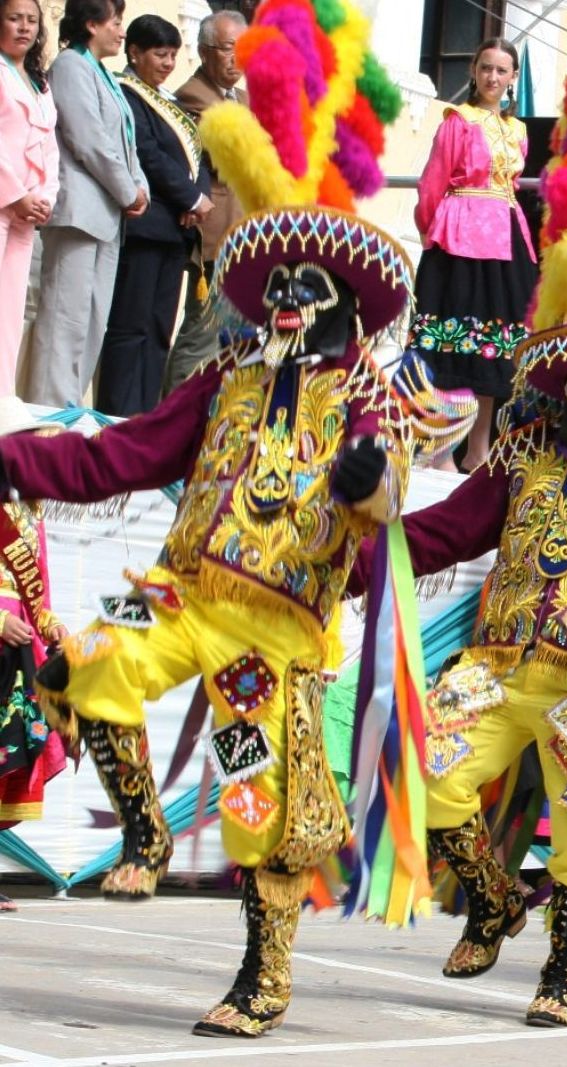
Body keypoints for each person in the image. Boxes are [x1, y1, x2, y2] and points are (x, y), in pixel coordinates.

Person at [20, 0, 417, 1037]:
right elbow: (125, 451)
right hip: (186, 592)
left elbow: (387, 502)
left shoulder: (366, 394)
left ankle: (262, 972)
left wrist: (367, 477)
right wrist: (7, 453)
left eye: (305, 288)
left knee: (254, 804)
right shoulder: (227, 379)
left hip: (274, 632)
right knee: (82, 660)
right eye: (274, 285)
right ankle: (143, 832)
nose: (286, 300)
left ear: (336, 300)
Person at [355, 0, 567, 1029]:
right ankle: (496, 893)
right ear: (566, 390)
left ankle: (562, 970)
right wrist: (366, 549)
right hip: (503, 662)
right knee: (422, 767)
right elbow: (455, 524)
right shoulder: (524, 450)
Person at [408, 37, 536, 471]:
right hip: (459, 236)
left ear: (513, 78)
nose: (493, 77)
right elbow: (433, 183)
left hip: (506, 240)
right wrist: (434, 231)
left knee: (494, 345)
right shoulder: (456, 121)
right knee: (449, 340)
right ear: (473, 71)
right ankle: (440, 448)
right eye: (486, 68)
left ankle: (479, 448)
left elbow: (513, 186)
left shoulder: (518, 131)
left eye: (502, 71)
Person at [21, 0, 144, 409]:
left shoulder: (102, 73)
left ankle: (72, 407)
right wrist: (129, 191)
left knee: (92, 322)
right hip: (79, 213)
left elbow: (125, 142)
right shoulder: (71, 67)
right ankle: (50, 414)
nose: (121, 31)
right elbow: (88, 140)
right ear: (91, 24)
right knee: (64, 320)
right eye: (116, 22)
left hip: (106, 215)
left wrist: (138, 185)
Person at [94, 13, 210, 415]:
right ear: (135, 52)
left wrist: (197, 202)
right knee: (130, 327)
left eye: (173, 55)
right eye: (160, 54)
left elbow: (199, 159)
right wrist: (191, 200)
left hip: (177, 232)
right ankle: (116, 416)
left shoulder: (171, 103)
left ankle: (144, 418)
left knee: (160, 328)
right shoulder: (127, 95)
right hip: (146, 228)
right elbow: (148, 154)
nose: (168, 63)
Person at [0, 398, 69, 912]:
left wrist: (50, 621)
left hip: (21, 650)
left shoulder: (30, 510)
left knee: (20, 755)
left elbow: (37, 589)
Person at [161, 8, 244, 397]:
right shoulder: (192, 96)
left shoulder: (245, 98)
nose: (237, 59)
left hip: (249, 236)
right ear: (205, 50)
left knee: (235, 347)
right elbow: (235, 157)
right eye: (228, 49)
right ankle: (167, 420)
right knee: (201, 337)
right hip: (217, 236)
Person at [0, 0, 56, 396]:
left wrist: (45, 196)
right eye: (14, 18)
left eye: (31, 20)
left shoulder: (38, 80)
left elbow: (49, 147)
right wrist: (17, 194)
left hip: (26, 215)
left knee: (10, 311)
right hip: (5, 201)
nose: (24, 28)